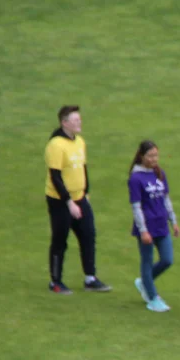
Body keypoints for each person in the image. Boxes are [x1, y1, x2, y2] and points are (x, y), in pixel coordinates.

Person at [44, 105, 109, 294]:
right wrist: (68, 202)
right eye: (75, 120)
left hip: (80, 198)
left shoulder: (80, 141)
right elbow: (56, 177)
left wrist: (85, 193)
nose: (79, 122)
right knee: (60, 240)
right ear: (64, 123)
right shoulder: (56, 145)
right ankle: (55, 282)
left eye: (79, 119)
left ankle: (90, 278)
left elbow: (83, 168)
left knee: (88, 235)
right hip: (60, 202)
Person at [128, 141, 178, 313]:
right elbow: (136, 206)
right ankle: (152, 297)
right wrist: (143, 230)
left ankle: (144, 282)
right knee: (147, 262)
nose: (154, 159)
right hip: (147, 228)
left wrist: (174, 220)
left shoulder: (159, 173)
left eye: (156, 155)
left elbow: (166, 199)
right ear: (142, 156)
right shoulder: (135, 178)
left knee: (167, 260)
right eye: (150, 156)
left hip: (161, 225)